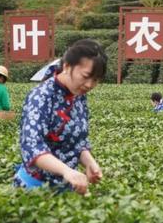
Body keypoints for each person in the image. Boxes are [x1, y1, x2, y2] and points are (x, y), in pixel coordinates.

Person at [14, 39, 107, 195]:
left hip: (66, 188)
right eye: (86, 76)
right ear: (67, 66)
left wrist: (89, 162)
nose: (90, 85)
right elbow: (32, 146)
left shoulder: (78, 95)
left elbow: (77, 140)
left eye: (96, 80)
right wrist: (67, 171)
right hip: (34, 188)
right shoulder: (41, 97)